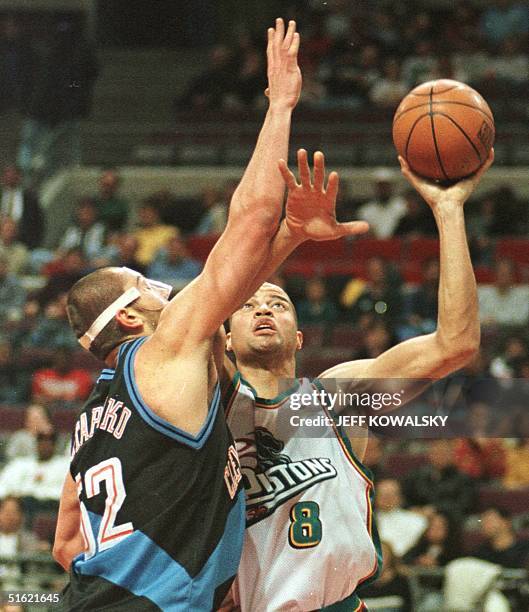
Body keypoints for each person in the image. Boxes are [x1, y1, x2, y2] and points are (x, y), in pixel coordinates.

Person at [52, 19, 304, 611]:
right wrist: (281, 106)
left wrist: (291, 236)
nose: (167, 290)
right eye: (146, 286)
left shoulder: (93, 420)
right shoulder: (162, 353)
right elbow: (246, 223)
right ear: (133, 320)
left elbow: (66, 543)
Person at [220, 149, 494, 610]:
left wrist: (448, 212)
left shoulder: (338, 397)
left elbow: (457, 343)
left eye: (279, 304)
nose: (264, 307)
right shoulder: (208, 398)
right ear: (223, 338)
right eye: (246, 305)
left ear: (301, 338)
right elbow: (212, 288)